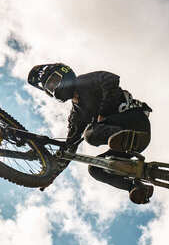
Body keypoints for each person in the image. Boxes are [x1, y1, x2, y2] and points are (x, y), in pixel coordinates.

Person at [27, 63, 154, 204]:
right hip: (128, 145)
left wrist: (103, 113)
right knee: (96, 167)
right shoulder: (76, 116)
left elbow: (111, 79)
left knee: (90, 135)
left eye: (55, 81)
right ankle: (136, 188)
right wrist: (51, 175)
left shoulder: (84, 82)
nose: (55, 88)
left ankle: (129, 137)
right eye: (50, 88)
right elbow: (70, 147)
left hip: (135, 121)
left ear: (64, 73)